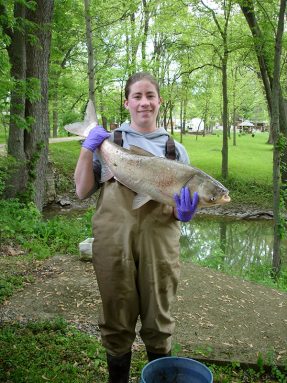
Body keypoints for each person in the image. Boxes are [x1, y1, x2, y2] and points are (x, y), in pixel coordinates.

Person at [74, 72, 198, 383]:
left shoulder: (175, 150)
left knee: (159, 320)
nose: (144, 102)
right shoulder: (111, 142)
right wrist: (87, 148)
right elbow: (81, 190)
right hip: (113, 242)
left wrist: (186, 213)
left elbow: (182, 212)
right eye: (138, 96)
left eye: (150, 96)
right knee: (116, 317)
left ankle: (159, 375)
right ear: (127, 102)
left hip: (160, 245)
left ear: (159, 102)